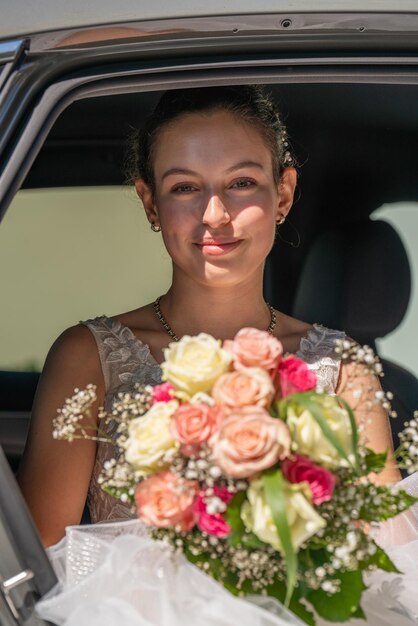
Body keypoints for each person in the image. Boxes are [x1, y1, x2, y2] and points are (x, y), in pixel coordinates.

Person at [18, 85, 400, 549]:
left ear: (283, 194)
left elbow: (386, 553)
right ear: (149, 202)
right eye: (185, 188)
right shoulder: (88, 356)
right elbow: (40, 563)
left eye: (241, 183)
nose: (214, 214)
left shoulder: (343, 370)